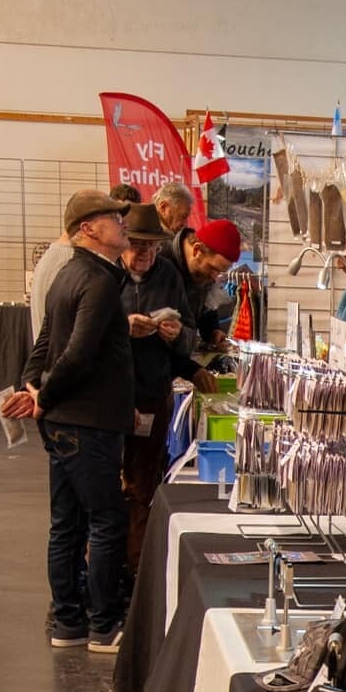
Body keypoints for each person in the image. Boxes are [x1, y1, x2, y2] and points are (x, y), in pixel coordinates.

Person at [1, 189, 133, 652]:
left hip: (67, 420)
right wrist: (43, 394)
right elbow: (76, 354)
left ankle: (67, 623)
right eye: (113, 218)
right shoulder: (96, 281)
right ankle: (104, 626)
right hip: (87, 421)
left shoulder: (69, 274)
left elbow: (45, 340)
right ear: (88, 229)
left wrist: (33, 384)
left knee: (67, 524)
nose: (123, 224)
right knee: (106, 521)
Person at [118, 203, 198, 572]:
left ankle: (135, 569)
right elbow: (86, 334)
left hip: (152, 393)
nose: (145, 254)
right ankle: (102, 565)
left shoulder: (168, 275)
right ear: (122, 242)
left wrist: (178, 334)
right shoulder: (106, 275)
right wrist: (123, 327)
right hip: (109, 398)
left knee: (143, 485)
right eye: (137, 245)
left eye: (151, 246)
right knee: (106, 486)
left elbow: (189, 336)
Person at [165, 216, 240, 347]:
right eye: (213, 268)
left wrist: (212, 332)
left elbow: (205, 307)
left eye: (220, 272)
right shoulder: (160, 260)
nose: (215, 277)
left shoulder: (204, 274)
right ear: (197, 250)